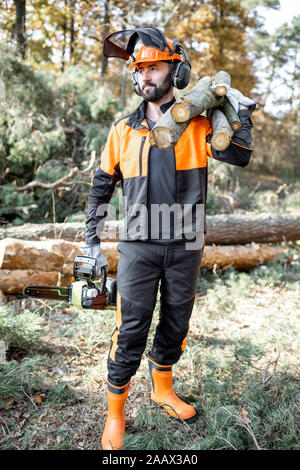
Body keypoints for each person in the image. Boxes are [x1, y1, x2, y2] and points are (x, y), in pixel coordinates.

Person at [81, 28, 255, 450]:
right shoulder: (123, 130)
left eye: (154, 67)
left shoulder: (197, 122)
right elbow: (100, 188)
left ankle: (162, 389)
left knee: (177, 323)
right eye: (139, 69)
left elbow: (240, 155)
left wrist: (238, 114)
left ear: (176, 71)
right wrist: (91, 242)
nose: (145, 76)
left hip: (186, 243)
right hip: (139, 244)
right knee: (130, 331)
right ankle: (115, 414)